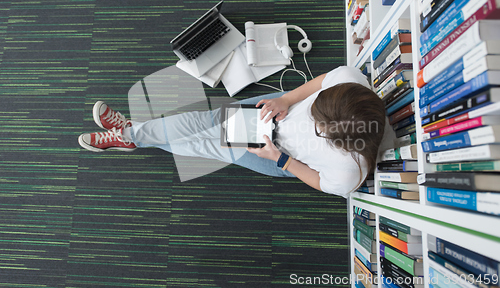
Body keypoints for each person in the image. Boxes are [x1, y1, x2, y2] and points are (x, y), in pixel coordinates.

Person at [78, 66, 386, 198]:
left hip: (277, 155)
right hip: (275, 111)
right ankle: (131, 135)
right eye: (315, 110)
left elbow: (319, 181)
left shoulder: (350, 173)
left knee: (205, 146)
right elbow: (320, 82)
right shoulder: (350, 81)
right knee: (203, 122)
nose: (312, 119)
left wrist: (279, 159)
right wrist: (287, 99)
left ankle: (131, 135)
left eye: (317, 128)